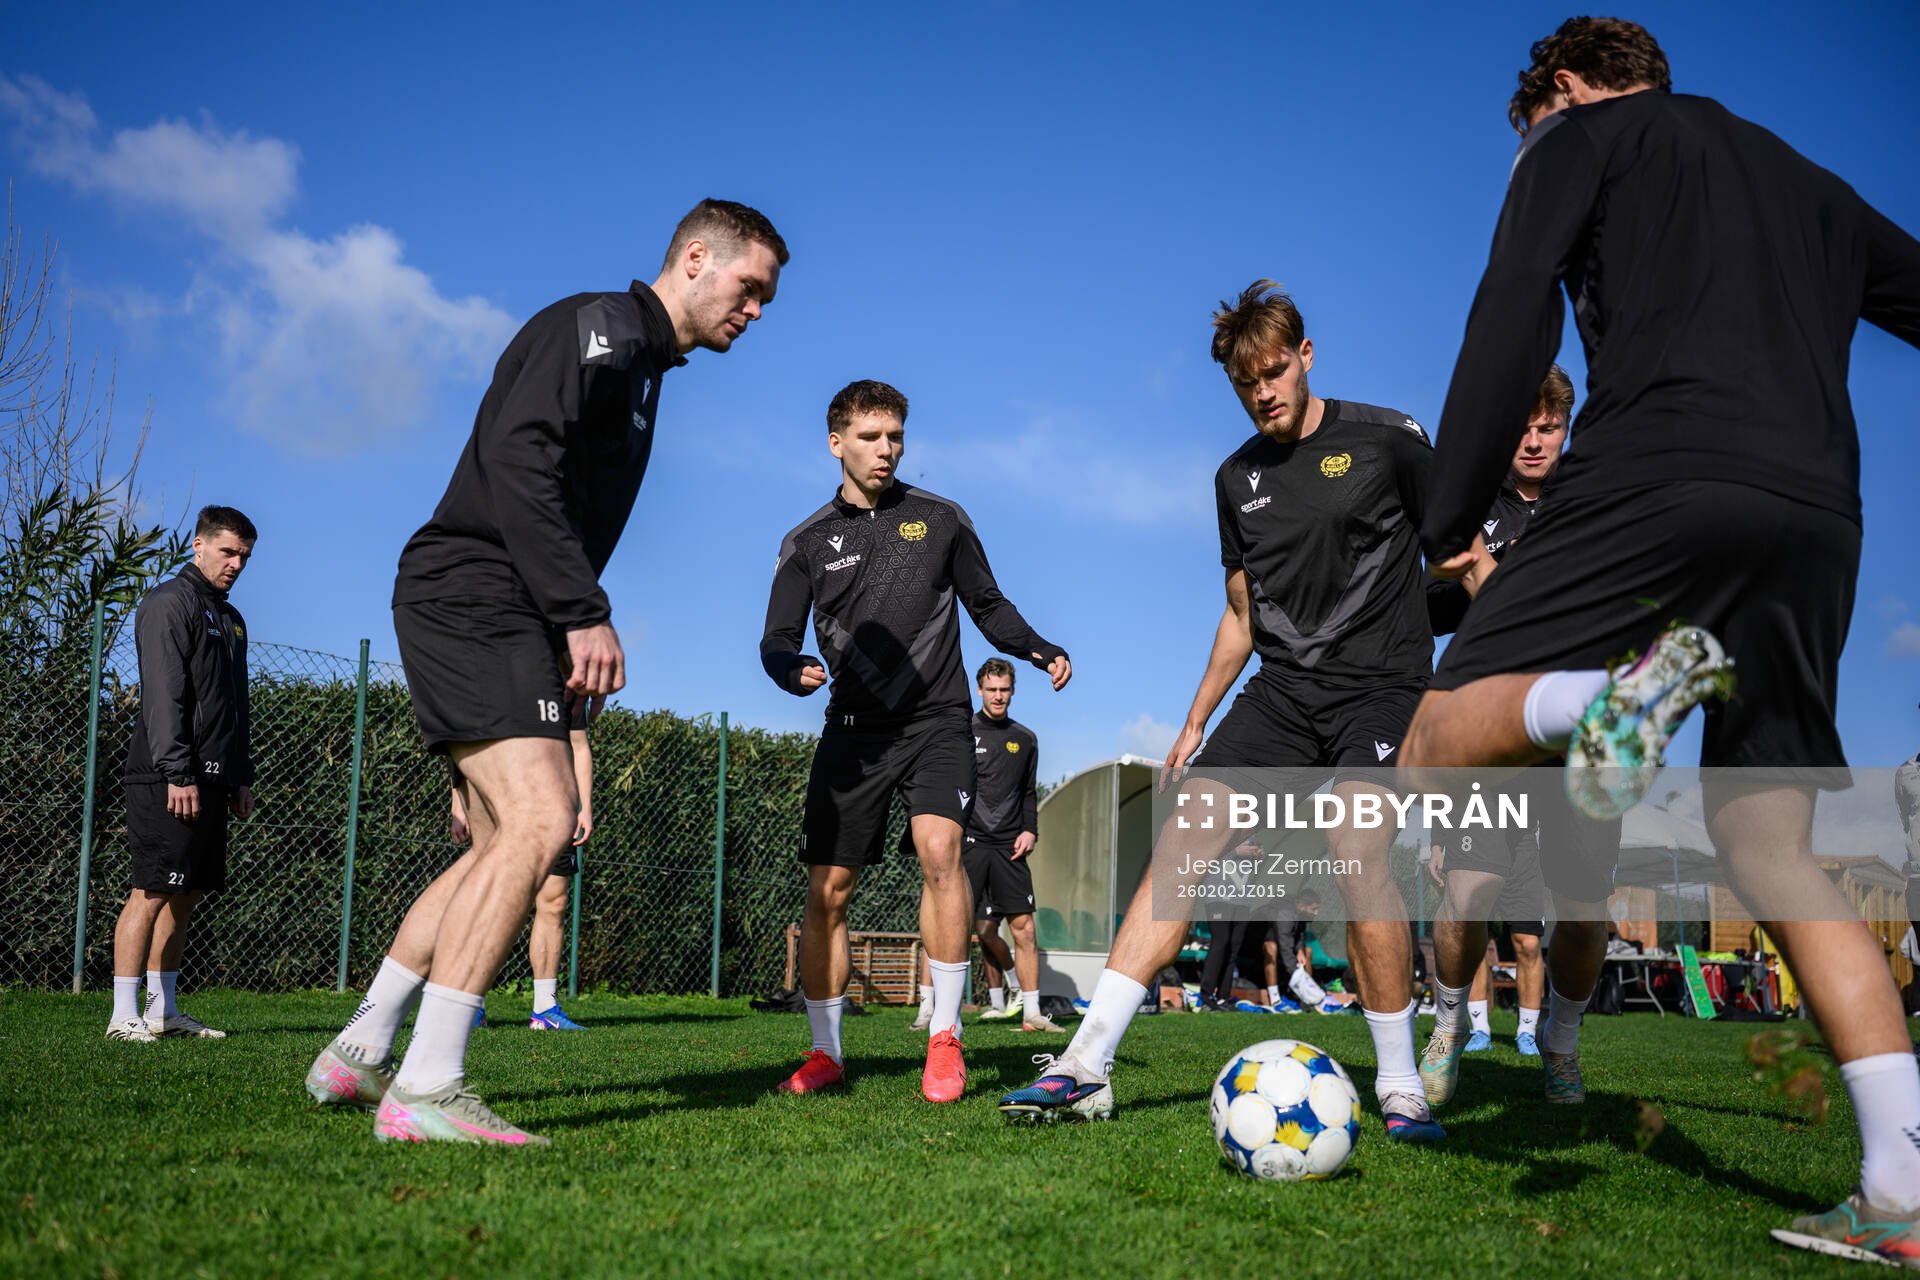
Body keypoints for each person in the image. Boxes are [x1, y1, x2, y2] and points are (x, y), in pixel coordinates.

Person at [1399, 17, 1920, 1263]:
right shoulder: (1814, 183)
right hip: (1819, 514)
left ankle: (1598, 702)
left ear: (1567, 87)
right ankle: (1902, 1185)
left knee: (1430, 743)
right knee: (1768, 842)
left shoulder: (1580, 137)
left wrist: (1449, 510)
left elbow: (1515, 302)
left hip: (1660, 471)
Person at [305, 199, 788, 1146]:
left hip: (508, 605)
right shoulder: (603, 330)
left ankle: (358, 1051)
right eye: (749, 287)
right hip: (479, 590)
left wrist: (560, 620)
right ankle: (428, 1087)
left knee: (498, 844)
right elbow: (517, 458)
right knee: (542, 818)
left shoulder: (644, 363)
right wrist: (582, 611)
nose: (756, 311)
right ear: (696, 257)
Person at [1000, 281, 1446, 1141]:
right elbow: (1243, 612)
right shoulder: (1236, 480)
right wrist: (1196, 718)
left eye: (1275, 372)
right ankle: (1084, 1065)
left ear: (1305, 356)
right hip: (1282, 695)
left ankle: (1400, 1086)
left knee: (1356, 847)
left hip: (1382, 688)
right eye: (1246, 383)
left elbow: (1457, 550)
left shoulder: (1390, 439)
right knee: (1186, 843)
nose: (1263, 392)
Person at [760, 379, 1070, 1103]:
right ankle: (825, 1053)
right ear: (836, 443)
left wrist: (1037, 646)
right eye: (870, 437)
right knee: (828, 890)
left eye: (895, 436)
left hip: (937, 721)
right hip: (853, 731)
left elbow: (987, 603)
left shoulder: (941, 519)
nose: (886, 450)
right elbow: (776, 637)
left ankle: (946, 1038)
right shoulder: (806, 542)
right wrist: (789, 669)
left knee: (940, 853)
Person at [107, 506, 258, 1042]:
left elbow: (235, 704)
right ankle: (123, 1016)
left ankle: (163, 1011)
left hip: (213, 779)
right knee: (151, 890)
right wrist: (178, 771)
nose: (236, 563)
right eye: (228, 552)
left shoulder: (231, 618)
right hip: (167, 776)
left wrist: (239, 775)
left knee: (186, 893)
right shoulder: (168, 602)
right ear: (199, 545)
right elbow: (163, 695)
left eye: (244, 556)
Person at [448, 691, 594, 1030]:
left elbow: (579, 746)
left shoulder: (565, 684)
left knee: (554, 902)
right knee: (488, 897)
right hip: (498, 800)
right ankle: (472, 1002)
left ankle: (545, 1009)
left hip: (552, 802)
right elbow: (463, 739)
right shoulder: (495, 673)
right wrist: (458, 800)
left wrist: (585, 806)